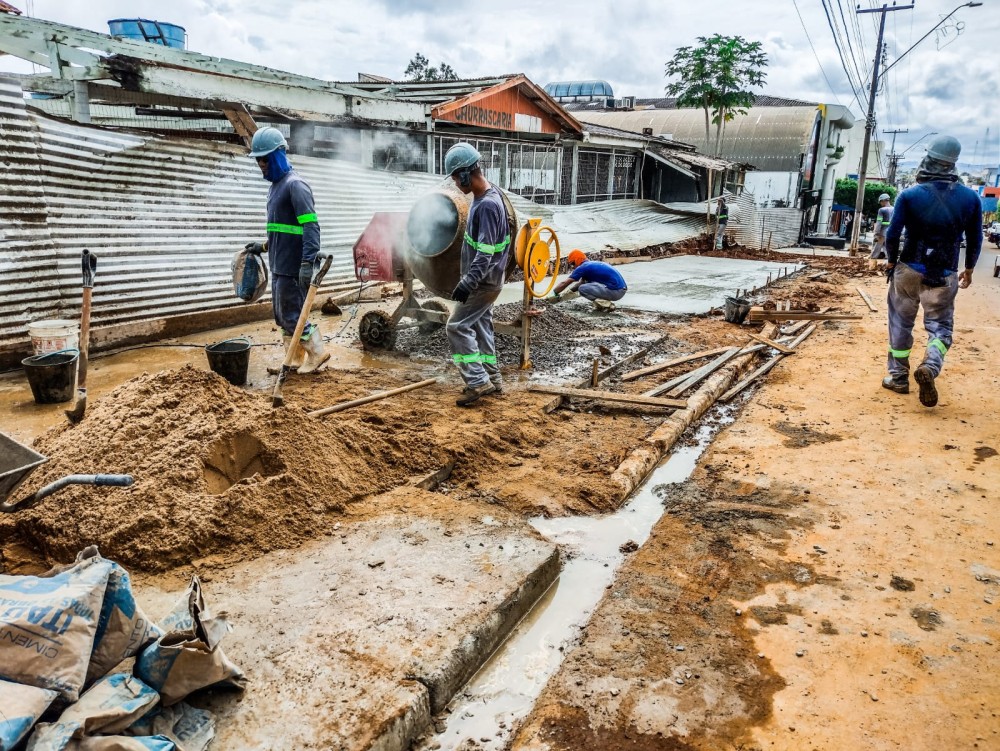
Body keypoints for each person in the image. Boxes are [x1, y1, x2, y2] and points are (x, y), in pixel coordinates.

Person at [882, 134, 982, 407]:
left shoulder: (910, 195)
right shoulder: (971, 199)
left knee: (900, 323)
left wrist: (891, 262)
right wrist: (969, 269)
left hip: (908, 269)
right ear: (953, 164)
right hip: (945, 273)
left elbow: (892, 235)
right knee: (940, 327)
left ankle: (898, 377)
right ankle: (931, 364)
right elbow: (975, 239)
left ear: (929, 158)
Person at [245, 126, 330, 373]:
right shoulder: (276, 187)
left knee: (294, 316)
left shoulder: (296, 186)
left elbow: (311, 228)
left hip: (293, 268)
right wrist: (262, 246)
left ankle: (317, 355)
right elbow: (283, 231)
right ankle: (293, 359)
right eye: (258, 159)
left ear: (278, 155)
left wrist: (307, 263)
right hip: (280, 265)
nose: (260, 164)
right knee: (283, 317)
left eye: (264, 158)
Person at [444, 143, 511, 407]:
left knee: (457, 327)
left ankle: (477, 381)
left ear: (464, 174)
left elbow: (484, 253)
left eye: (454, 177)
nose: (454, 183)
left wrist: (467, 282)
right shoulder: (489, 195)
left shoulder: (486, 206)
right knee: (482, 327)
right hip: (490, 280)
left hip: (483, 282)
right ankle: (492, 379)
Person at [551, 249, 628, 311]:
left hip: (616, 291)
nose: (572, 267)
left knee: (582, 289)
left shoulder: (583, 267)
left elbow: (565, 283)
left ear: (577, 259)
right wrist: (566, 294)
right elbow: (581, 283)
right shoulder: (590, 265)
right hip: (620, 290)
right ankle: (603, 304)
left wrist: (554, 293)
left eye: (573, 263)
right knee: (583, 286)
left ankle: (607, 305)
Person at [869, 193, 893, 269]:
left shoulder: (882, 210)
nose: (880, 203)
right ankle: (889, 266)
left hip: (882, 233)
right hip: (891, 233)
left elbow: (879, 222)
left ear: (883, 200)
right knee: (888, 249)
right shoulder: (895, 209)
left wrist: (876, 233)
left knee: (876, 248)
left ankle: (872, 265)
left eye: (880, 202)